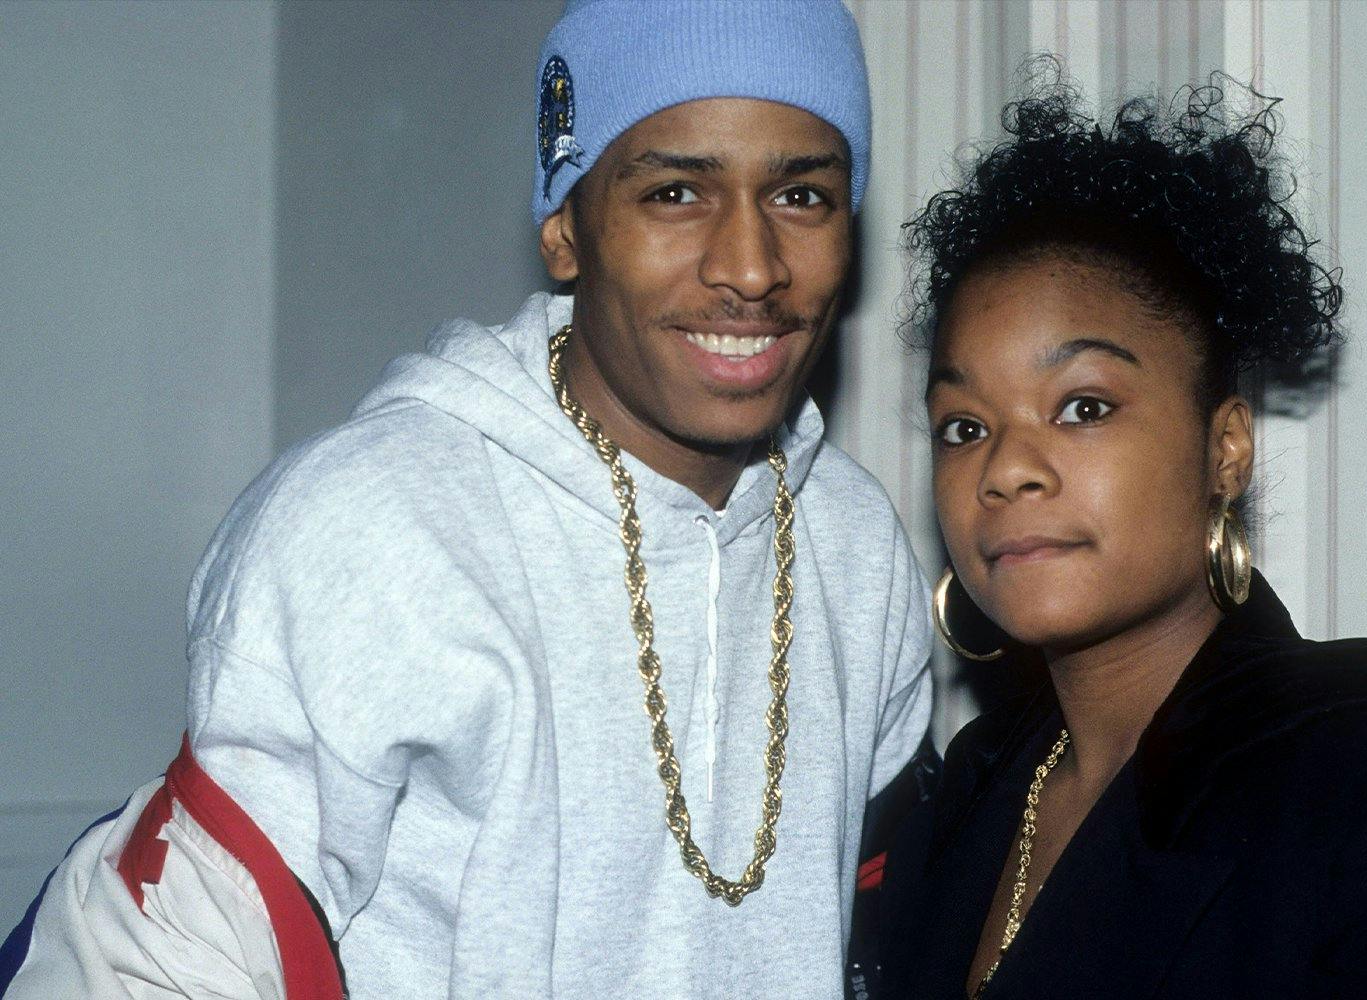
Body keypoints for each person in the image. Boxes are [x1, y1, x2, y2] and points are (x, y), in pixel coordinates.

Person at [0, 2, 934, 997]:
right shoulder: (371, 525)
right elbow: (163, 961)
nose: (750, 267)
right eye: (674, 193)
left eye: (801, 196)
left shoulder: (857, 544)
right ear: (565, 228)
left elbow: (890, 933)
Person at [878, 75, 1367, 1000]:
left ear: (1226, 449)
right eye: (963, 425)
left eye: (1082, 407)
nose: (1005, 468)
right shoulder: (968, 791)